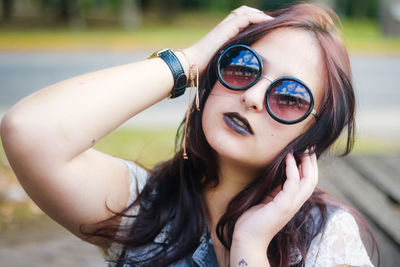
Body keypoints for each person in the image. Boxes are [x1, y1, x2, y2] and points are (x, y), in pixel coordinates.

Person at [0, 3, 378, 267]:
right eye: (244, 66)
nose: (251, 97)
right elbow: (30, 130)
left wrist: (249, 245)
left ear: (312, 136)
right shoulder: (144, 205)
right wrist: (189, 61)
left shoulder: (326, 239)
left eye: (290, 97)